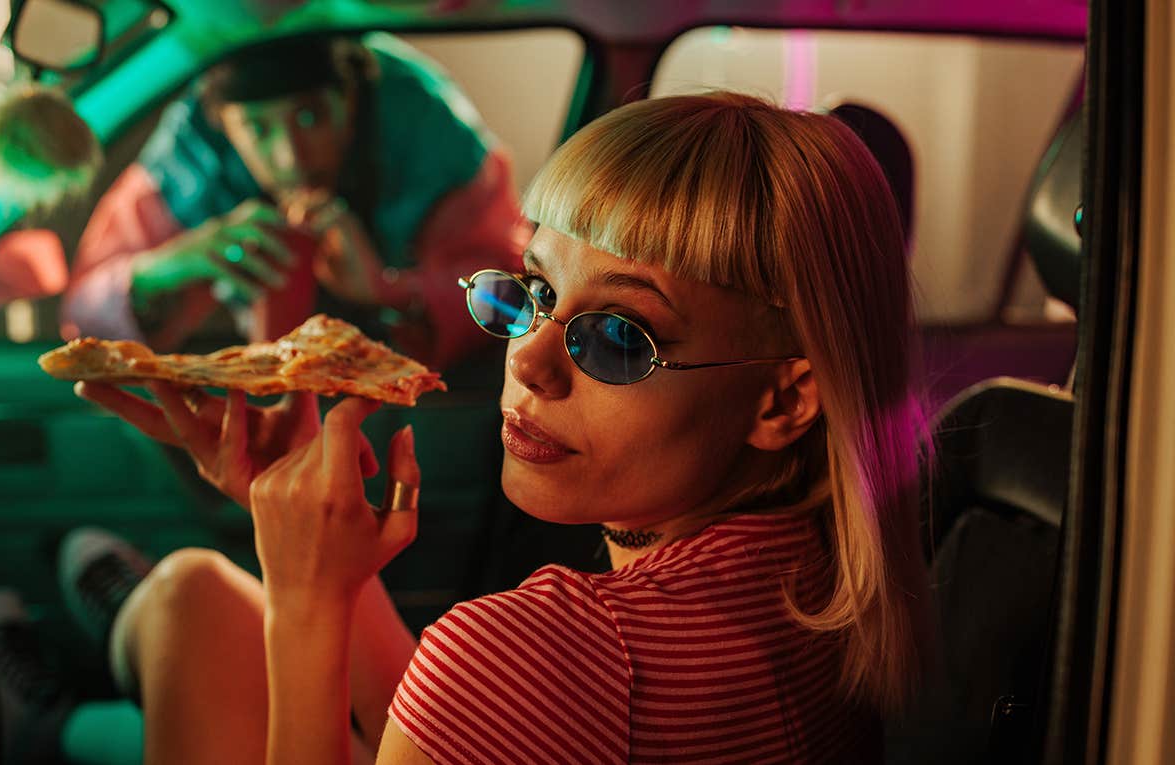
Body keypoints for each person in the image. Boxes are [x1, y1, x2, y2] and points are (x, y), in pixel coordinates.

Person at [73, 90, 933, 763]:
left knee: (181, 619)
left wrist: (301, 601)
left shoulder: (543, 647)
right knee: (193, 592)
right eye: (536, 292)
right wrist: (321, 552)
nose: (528, 360)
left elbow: (488, 694)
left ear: (783, 401)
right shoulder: (825, 581)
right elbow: (469, 725)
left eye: (617, 337)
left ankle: (54, 721)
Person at [61, 32, 526, 368]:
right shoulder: (191, 156)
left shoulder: (425, 126)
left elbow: (511, 301)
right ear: (222, 122)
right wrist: (166, 267)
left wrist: (388, 289)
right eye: (258, 129)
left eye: (310, 116)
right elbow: (82, 323)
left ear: (350, 96)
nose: (290, 157)